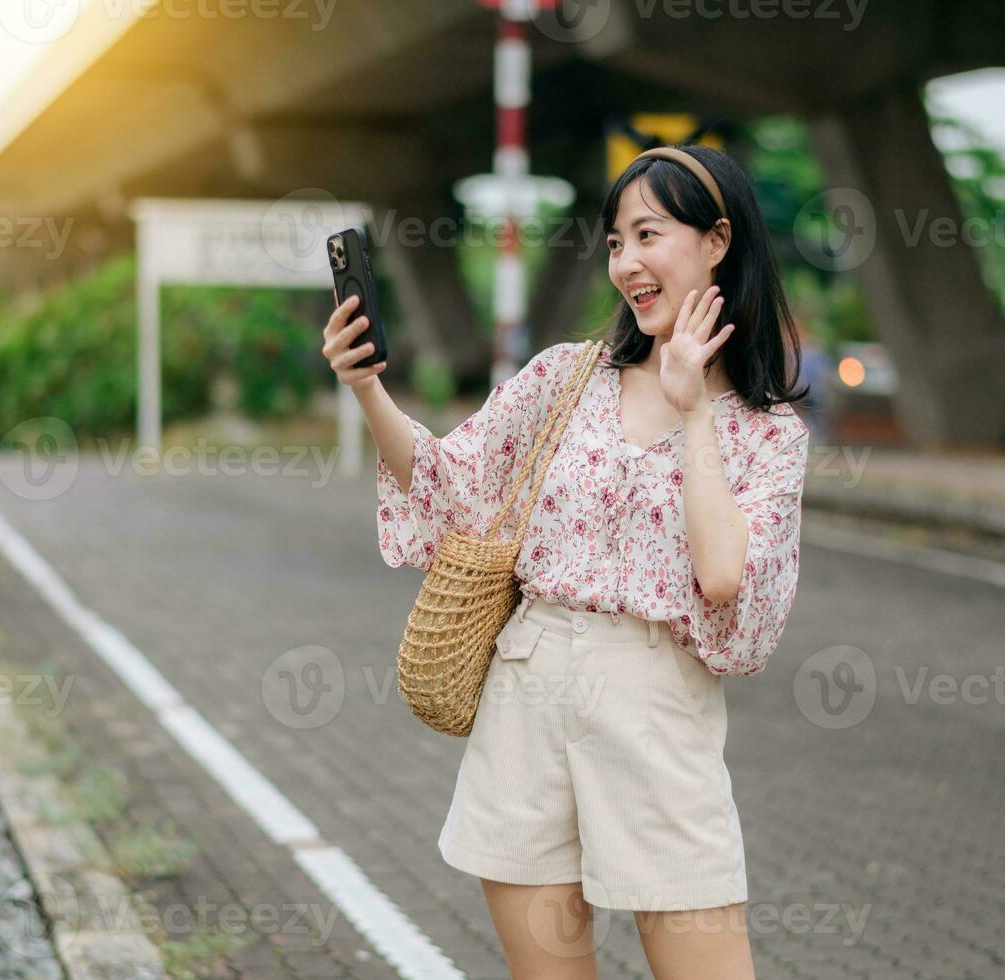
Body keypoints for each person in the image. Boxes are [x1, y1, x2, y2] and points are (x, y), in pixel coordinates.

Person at [321, 144, 809, 980]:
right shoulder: (565, 378)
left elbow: (727, 581)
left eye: (648, 235)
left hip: (657, 710)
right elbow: (450, 486)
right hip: (530, 686)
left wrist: (693, 410)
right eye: (615, 242)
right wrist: (367, 389)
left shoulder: (768, 437)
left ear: (717, 240)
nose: (626, 263)